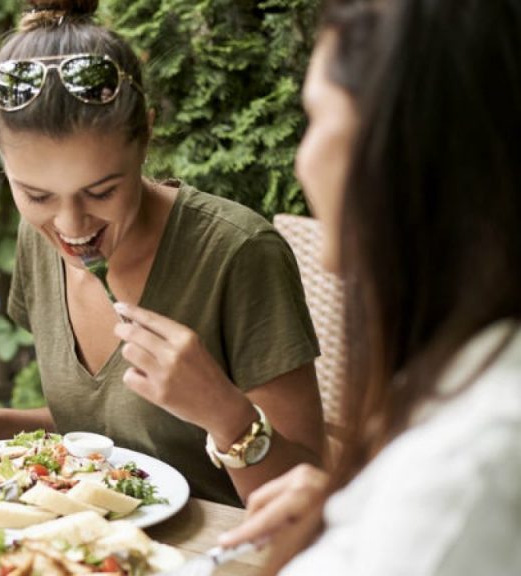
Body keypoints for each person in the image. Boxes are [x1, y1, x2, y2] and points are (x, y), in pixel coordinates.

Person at [0, 0, 327, 507]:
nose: (71, 227)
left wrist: (227, 415)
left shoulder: (239, 253)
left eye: (101, 192)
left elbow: (311, 503)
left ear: (146, 137)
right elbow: (111, 434)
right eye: (37, 196)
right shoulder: (39, 240)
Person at [217, 0, 521, 573]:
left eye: (314, 118)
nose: (301, 161)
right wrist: (352, 512)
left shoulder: (463, 473)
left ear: (396, 147)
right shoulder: (463, 388)